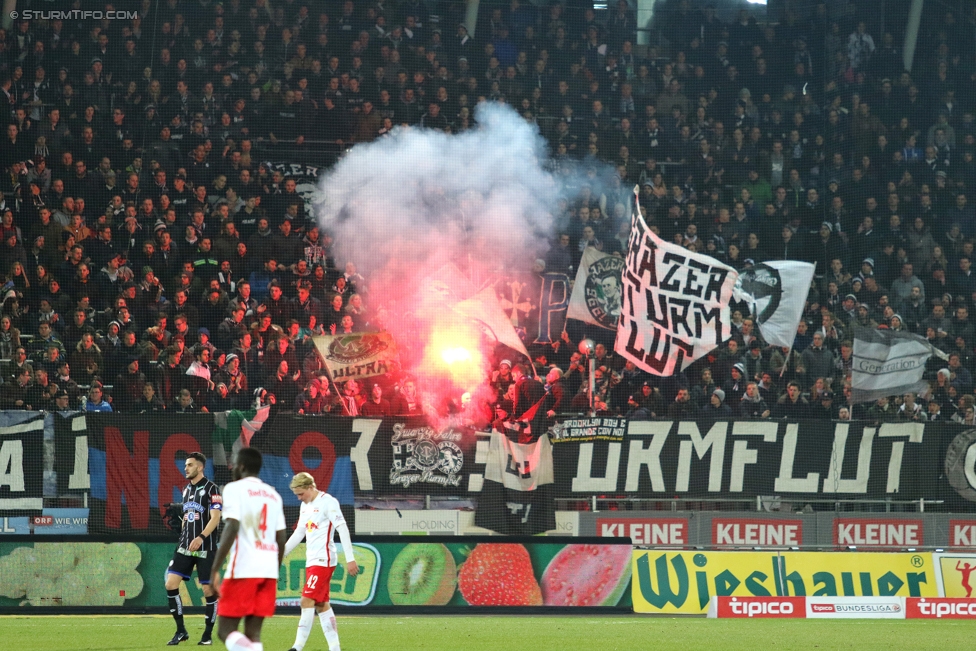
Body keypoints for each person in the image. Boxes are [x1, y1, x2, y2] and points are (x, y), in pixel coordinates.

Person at [210, 448, 287, 651]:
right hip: (268, 570)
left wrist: (214, 569)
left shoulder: (235, 489)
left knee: (225, 630)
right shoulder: (273, 495)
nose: (232, 467)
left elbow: (232, 526)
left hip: (245, 567)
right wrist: (275, 570)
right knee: (253, 634)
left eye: (234, 463)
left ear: (241, 466)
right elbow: (281, 538)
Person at [284, 472, 360, 651]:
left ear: (311, 487)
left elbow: (342, 528)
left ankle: (297, 647)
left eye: (301, 493)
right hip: (312, 560)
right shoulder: (305, 506)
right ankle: (335, 648)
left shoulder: (328, 502)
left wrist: (350, 559)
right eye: (296, 495)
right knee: (321, 604)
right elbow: (300, 532)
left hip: (323, 560)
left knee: (306, 600)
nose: (299, 498)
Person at [165, 452, 223, 646]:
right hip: (185, 546)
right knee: (171, 584)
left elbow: (215, 517)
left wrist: (201, 537)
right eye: (185, 465)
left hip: (205, 546)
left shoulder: (212, 489)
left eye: (190, 465)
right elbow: (187, 516)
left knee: (208, 591)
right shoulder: (186, 490)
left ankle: (207, 635)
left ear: (200, 467)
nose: (186, 468)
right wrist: (183, 531)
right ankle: (181, 631)